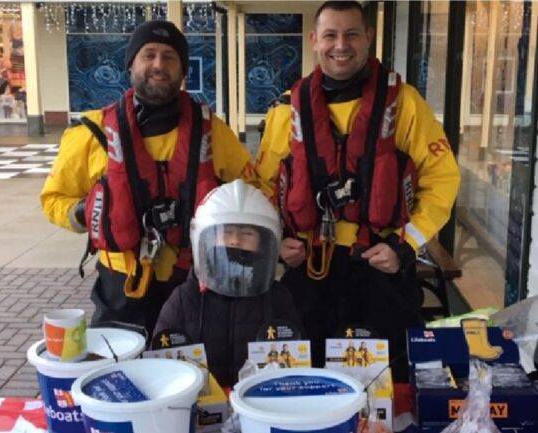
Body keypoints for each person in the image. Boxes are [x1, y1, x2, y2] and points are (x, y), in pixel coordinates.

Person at [255, 1, 460, 381]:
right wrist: (278, 240)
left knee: (388, 383)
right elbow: (264, 186)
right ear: (314, 40)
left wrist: (404, 245)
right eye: (330, 35)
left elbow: (442, 178)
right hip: (310, 271)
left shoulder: (406, 105)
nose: (341, 45)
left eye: (351, 34)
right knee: (305, 378)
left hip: (381, 267)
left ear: (369, 36)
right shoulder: (287, 109)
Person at [41, 21, 256, 337]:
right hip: (122, 287)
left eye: (170, 57)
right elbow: (53, 199)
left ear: (183, 70)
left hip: (193, 282)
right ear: (131, 65)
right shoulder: (90, 134)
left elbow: (252, 188)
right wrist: (87, 212)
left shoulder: (213, 133)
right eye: (149, 55)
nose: (159, 65)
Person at [153, 180, 303, 387]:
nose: (234, 241)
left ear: (265, 242)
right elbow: (159, 366)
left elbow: (298, 362)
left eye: (247, 233)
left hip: (261, 408)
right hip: (199, 410)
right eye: (225, 232)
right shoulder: (184, 299)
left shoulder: (278, 299)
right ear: (203, 240)